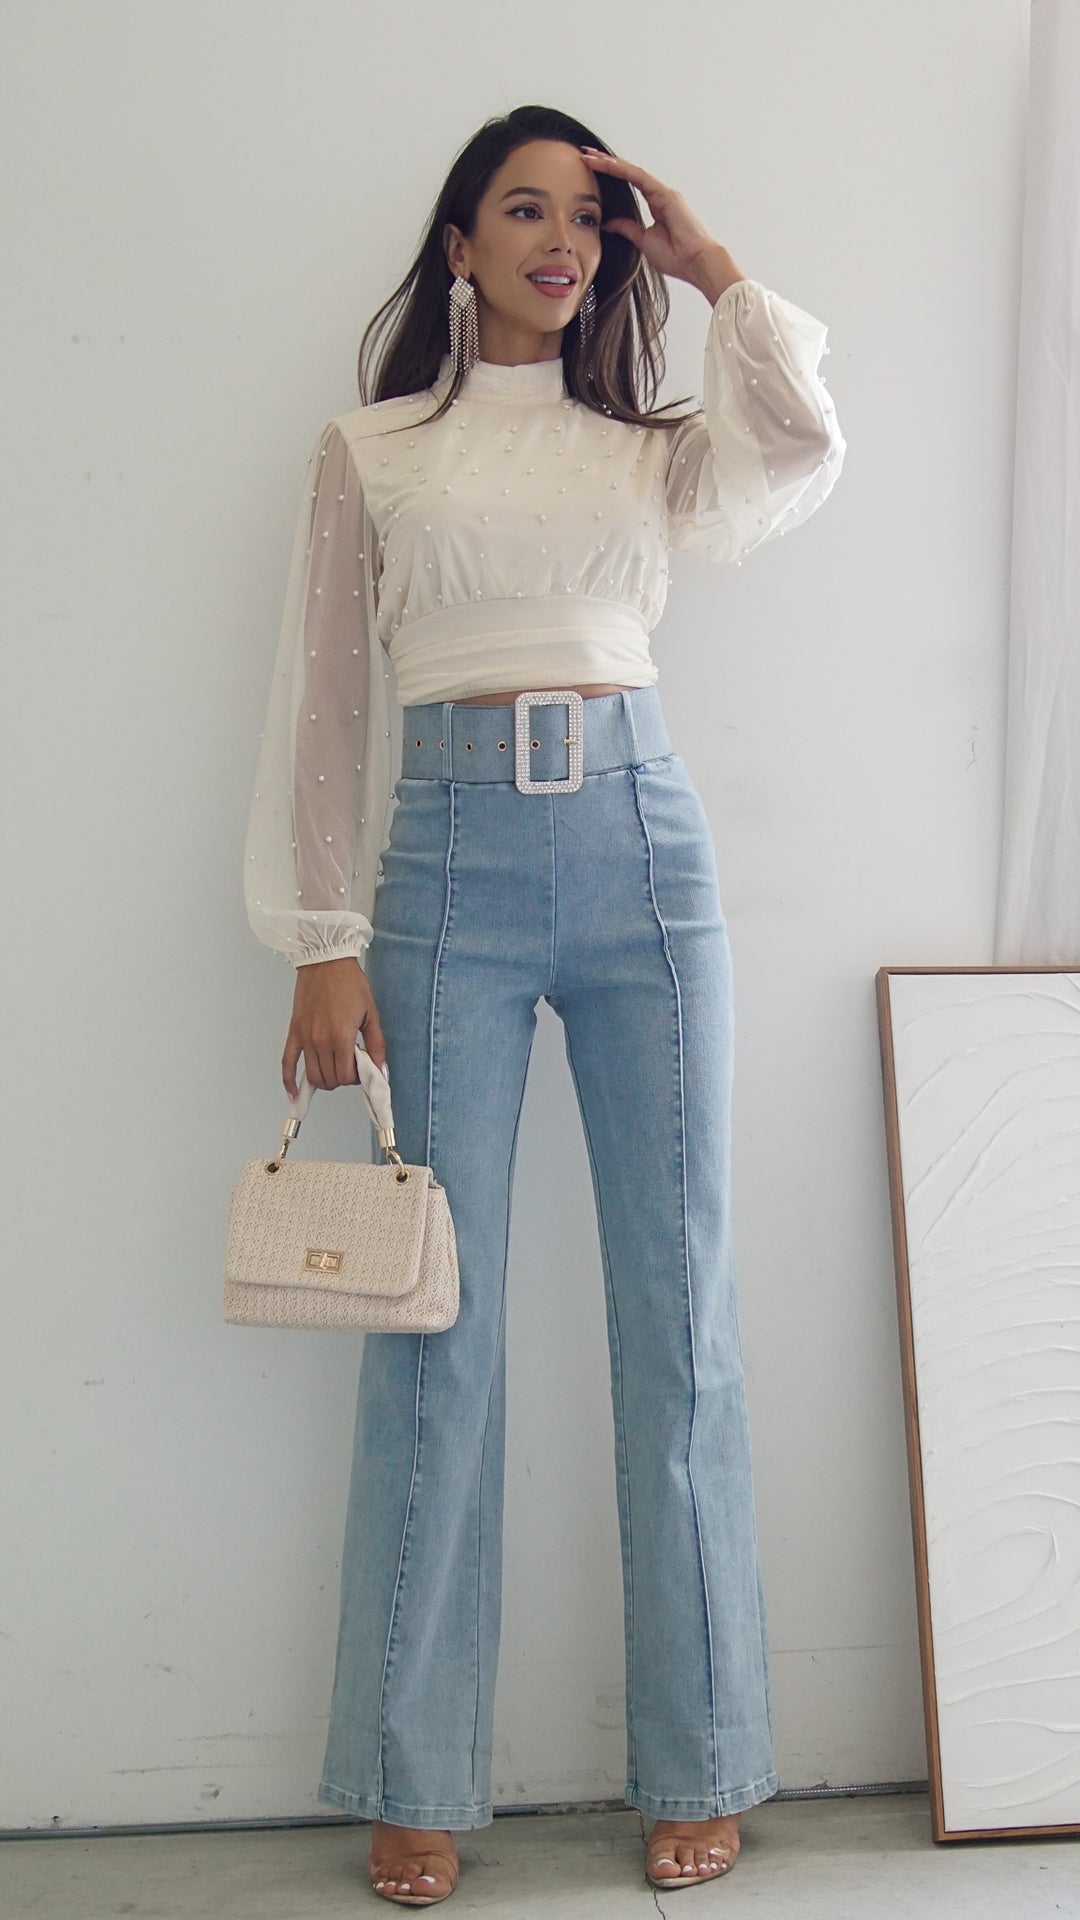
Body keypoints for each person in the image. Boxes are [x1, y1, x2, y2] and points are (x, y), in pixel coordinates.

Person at [243, 103, 845, 1908]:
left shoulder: (649, 448)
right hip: (445, 872)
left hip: (646, 855)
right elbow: (323, 700)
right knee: (437, 1321)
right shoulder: (374, 448)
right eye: (524, 209)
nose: (562, 240)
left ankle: (704, 1757)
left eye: (589, 215)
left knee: (684, 1309)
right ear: (459, 245)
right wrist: (322, 933)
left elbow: (802, 438)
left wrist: (708, 262)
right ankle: (414, 1772)